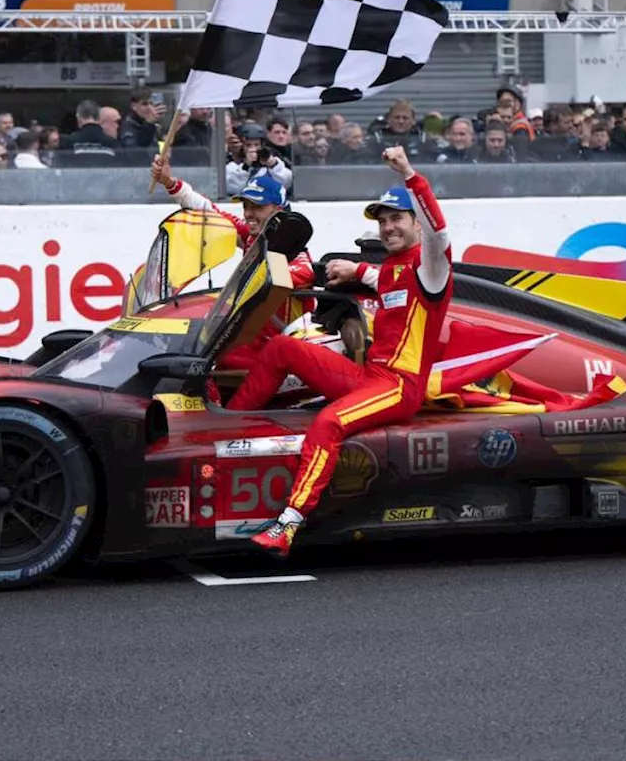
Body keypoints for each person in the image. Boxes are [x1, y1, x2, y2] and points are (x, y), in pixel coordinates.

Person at [227, 146, 453, 558]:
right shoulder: (392, 268)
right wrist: (354, 270)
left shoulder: (431, 263)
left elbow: (439, 234)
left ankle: (288, 525)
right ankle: (229, 425)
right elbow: (380, 277)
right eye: (382, 221)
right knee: (283, 348)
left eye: (396, 219)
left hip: (400, 387)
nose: (387, 228)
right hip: (370, 377)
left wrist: (408, 173)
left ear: (416, 223)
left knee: (328, 423)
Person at [149, 154, 315, 370]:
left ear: (278, 210)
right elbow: (208, 210)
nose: (248, 214)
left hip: (281, 349)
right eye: (246, 206)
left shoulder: (298, 257)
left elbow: (304, 274)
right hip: (249, 339)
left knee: (201, 361)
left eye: (257, 207)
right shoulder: (251, 236)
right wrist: (170, 183)